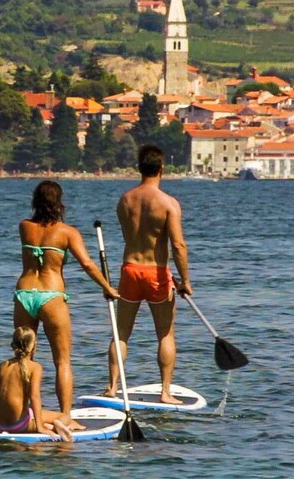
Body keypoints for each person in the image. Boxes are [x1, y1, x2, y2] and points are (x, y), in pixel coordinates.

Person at [14, 180, 119, 419]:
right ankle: (65, 417)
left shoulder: (24, 226)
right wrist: (107, 287)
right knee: (62, 362)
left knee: (24, 358)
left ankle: (22, 414)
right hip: (51, 296)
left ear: (35, 201)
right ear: (59, 203)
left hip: (24, 294)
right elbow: (88, 264)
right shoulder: (68, 233)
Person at [104, 145, 192, 404]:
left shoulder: (125, 200)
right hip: (156, 273)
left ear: (139, 168)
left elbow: (130, 234)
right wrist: (184, 281)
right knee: (165, 334)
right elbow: (177, 245)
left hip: (130, 269)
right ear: (162, 169)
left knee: (121, 333)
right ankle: (165, 392)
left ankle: (112, 388)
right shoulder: (168, 203)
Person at [0, 327, 73, 441]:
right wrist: (39, 427)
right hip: (19, 425)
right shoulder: (35, 367)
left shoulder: (3, 365)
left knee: (29, 410)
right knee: (65, 417)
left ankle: (49, 426)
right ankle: (53, 426)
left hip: (2, 425)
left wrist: (0, 424)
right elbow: (35, 397)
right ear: (33, 346)